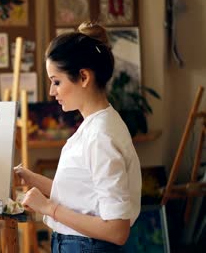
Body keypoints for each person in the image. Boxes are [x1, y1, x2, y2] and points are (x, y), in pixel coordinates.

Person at [14, 22, 142, 252]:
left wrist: (48, 208)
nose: (52, 92)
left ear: (83, 77)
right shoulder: (96, 126)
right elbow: (85, 198)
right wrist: (32, 178)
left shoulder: (101, 136)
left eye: (56, 81)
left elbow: (116, 230)